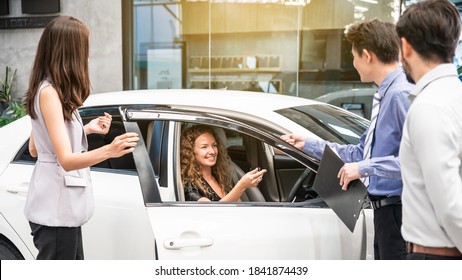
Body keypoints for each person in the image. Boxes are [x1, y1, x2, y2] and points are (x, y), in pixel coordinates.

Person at [281, 19, 413, 259]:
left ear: (367, 55)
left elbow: (415, 163)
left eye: (353, 57)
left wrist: (363, 169)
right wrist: (309, 144)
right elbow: (359, 153)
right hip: (386, 215)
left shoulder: (400, 95)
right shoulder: (385, 95)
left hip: (400, 214)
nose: (353, 64)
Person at [23, 16, 139, 260]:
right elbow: (64, 159)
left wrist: (85, 129)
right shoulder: (50, 93)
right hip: (56, 211)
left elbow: (37, 148)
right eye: (84, 48)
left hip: (59, 210)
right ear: (70, 51)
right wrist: (110, 149)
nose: (87, 56)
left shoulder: (47, 90)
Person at [396, 0, 462, 260]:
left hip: (435, 258)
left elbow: (449, 205)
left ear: (405, 47)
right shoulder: (454, 96)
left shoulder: (429, 106)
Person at [180, 124, 266, 202]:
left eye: (214, 145)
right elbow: (211, 211)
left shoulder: (221, 175)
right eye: (204, 147)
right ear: (191, 152)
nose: (212, 151)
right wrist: (242, 186)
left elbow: (239, 203)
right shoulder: (190, 186)